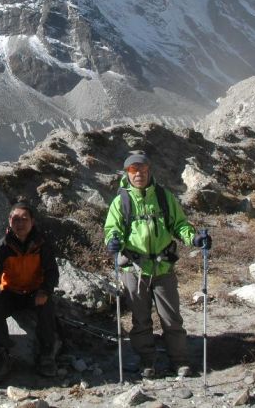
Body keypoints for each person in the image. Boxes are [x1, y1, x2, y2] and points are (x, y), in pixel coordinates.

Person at [104, 150, 212, 379]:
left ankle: (180, 361)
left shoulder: (164, 197)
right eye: (134, 170)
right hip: (134, 270)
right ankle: (147, 362)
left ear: (149, 171)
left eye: (142, 169)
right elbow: (112, 229)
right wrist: (113, 241)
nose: (139, 174)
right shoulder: (121, 201)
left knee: (171, 318)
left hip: (163, 268)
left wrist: (193, 238)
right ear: (127, 173)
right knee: (140, 320)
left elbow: (179, 224)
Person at [0, 202, 59, 381]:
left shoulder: (42, 244)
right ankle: (2, 355)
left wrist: (45, 291)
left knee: (47, 307)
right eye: (16, 219)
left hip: (34, 292)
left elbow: (51, 271)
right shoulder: (2, 246)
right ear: (9, 221)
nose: (20, 223)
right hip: (10, 292)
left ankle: (47, 355)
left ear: (32, 222)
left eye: (24, 219)